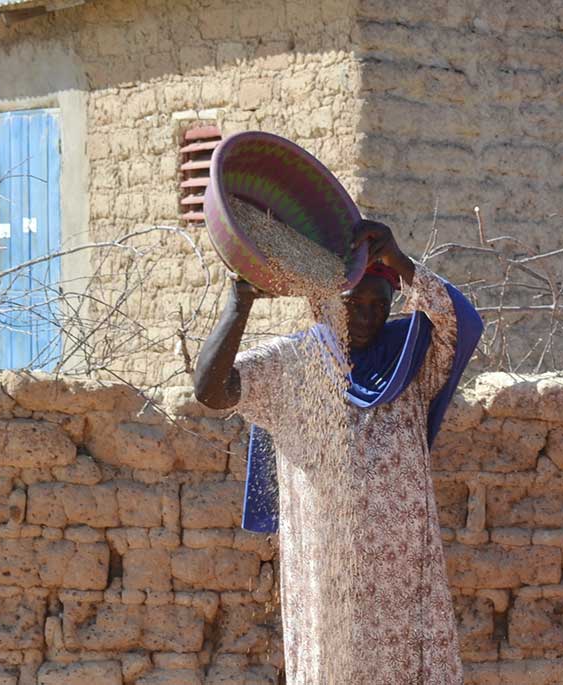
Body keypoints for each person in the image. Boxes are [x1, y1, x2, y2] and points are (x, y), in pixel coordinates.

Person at [193, 219, 482, 684]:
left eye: (377, 305)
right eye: (353, 304)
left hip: (404, 571)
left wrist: (399, 261)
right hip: (327, 566)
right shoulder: (292, 363)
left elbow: (463, 322)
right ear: (325, 302)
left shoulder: (409, 358)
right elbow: (212, 389)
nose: (365, 318)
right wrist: (238, 303)